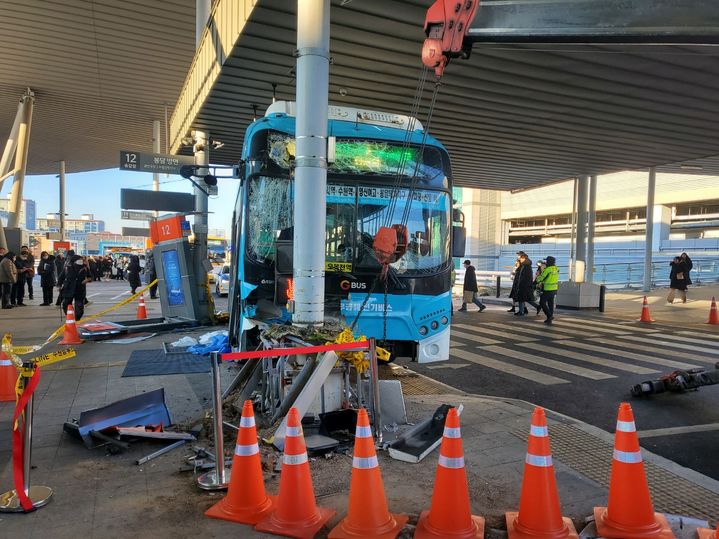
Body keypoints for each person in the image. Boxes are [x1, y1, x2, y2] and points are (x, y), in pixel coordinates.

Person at [61, 255, 90, 320]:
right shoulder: (67, 268)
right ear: (74, 260)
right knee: (66, 304)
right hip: (69, 288)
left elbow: (90, 276)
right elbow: (61, 277)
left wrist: (87, 280)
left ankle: (77, 318)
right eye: (79, 259)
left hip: (80, 289)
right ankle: (70, 316)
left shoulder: (84, 268)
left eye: (82, 260)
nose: (81, 261)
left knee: (79, 307)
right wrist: (59, 285)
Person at [535, 255, 559, 324]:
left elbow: (541, 278)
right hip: (554, 289)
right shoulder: (556, 268)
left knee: (542, 303)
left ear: (549, 262)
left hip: (547, 289)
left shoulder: (547, 269)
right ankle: (549, 318)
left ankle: (549, 315)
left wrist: (536, 280)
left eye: (546, 261)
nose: (545, 262)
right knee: (550, 303)